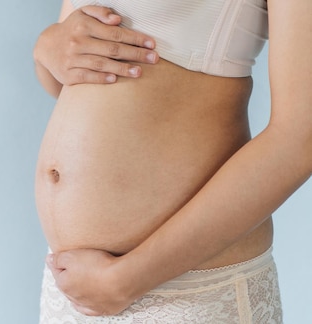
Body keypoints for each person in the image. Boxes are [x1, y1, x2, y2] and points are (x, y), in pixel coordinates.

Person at [33, 0, 311, 322]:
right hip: (73, 289)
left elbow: (299, 138)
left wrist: (129, 277)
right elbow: (73, 80)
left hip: (188, 291)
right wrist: (47, 48)